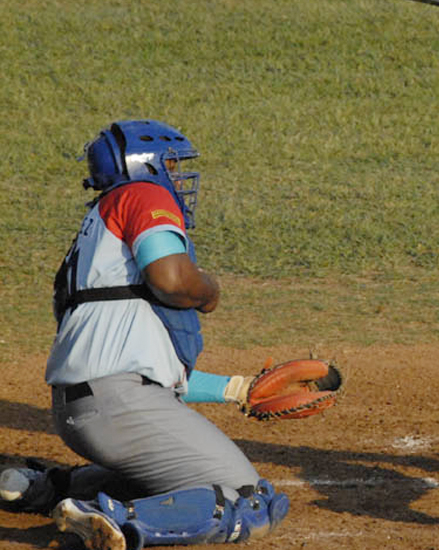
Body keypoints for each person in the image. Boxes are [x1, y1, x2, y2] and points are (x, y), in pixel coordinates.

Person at [0, 120, 289, 550]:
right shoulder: (143, 195)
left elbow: (138, 370)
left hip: (85, 411)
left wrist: (236, 389)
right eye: (171, 162)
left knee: (167, 480)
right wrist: (207, 292)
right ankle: (110, 521)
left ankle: (37, 488)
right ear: (143, 165)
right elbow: (172, 280)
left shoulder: (95, 243)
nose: (177, 173)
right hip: (119, 409)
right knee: (248, 501)